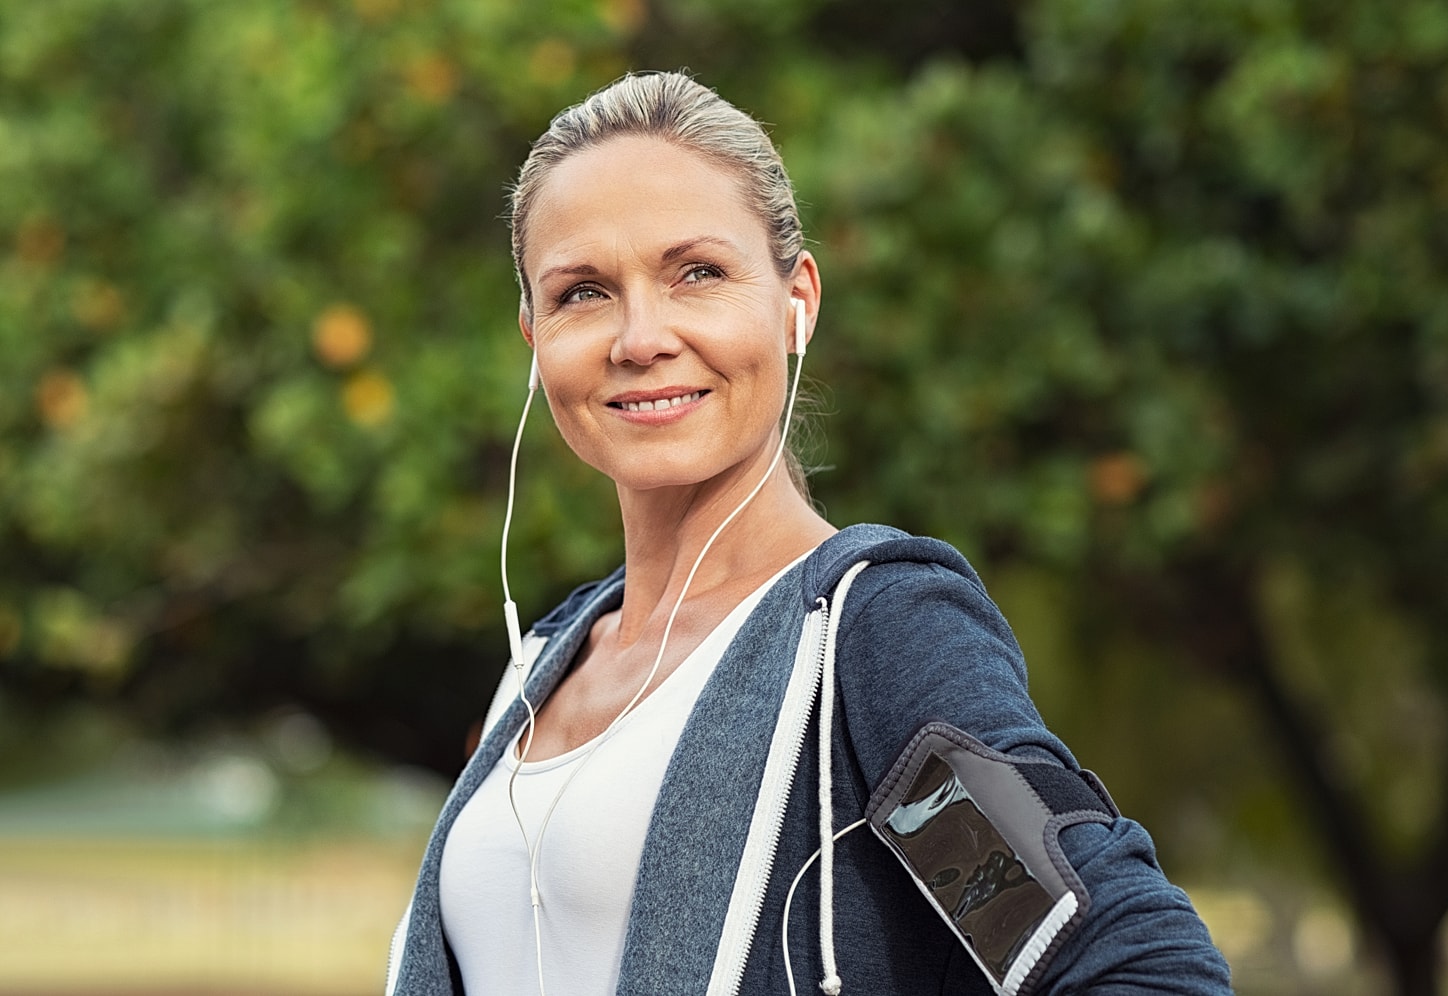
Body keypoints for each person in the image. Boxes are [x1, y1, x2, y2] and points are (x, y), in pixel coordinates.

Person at [386, 71, 1233, 996]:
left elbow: (1138, 967)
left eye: (696, 274)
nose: (639, 337)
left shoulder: (869, 639)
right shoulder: (542, 661)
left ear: (799, 301)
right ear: (534, 334)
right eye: (583, 292)